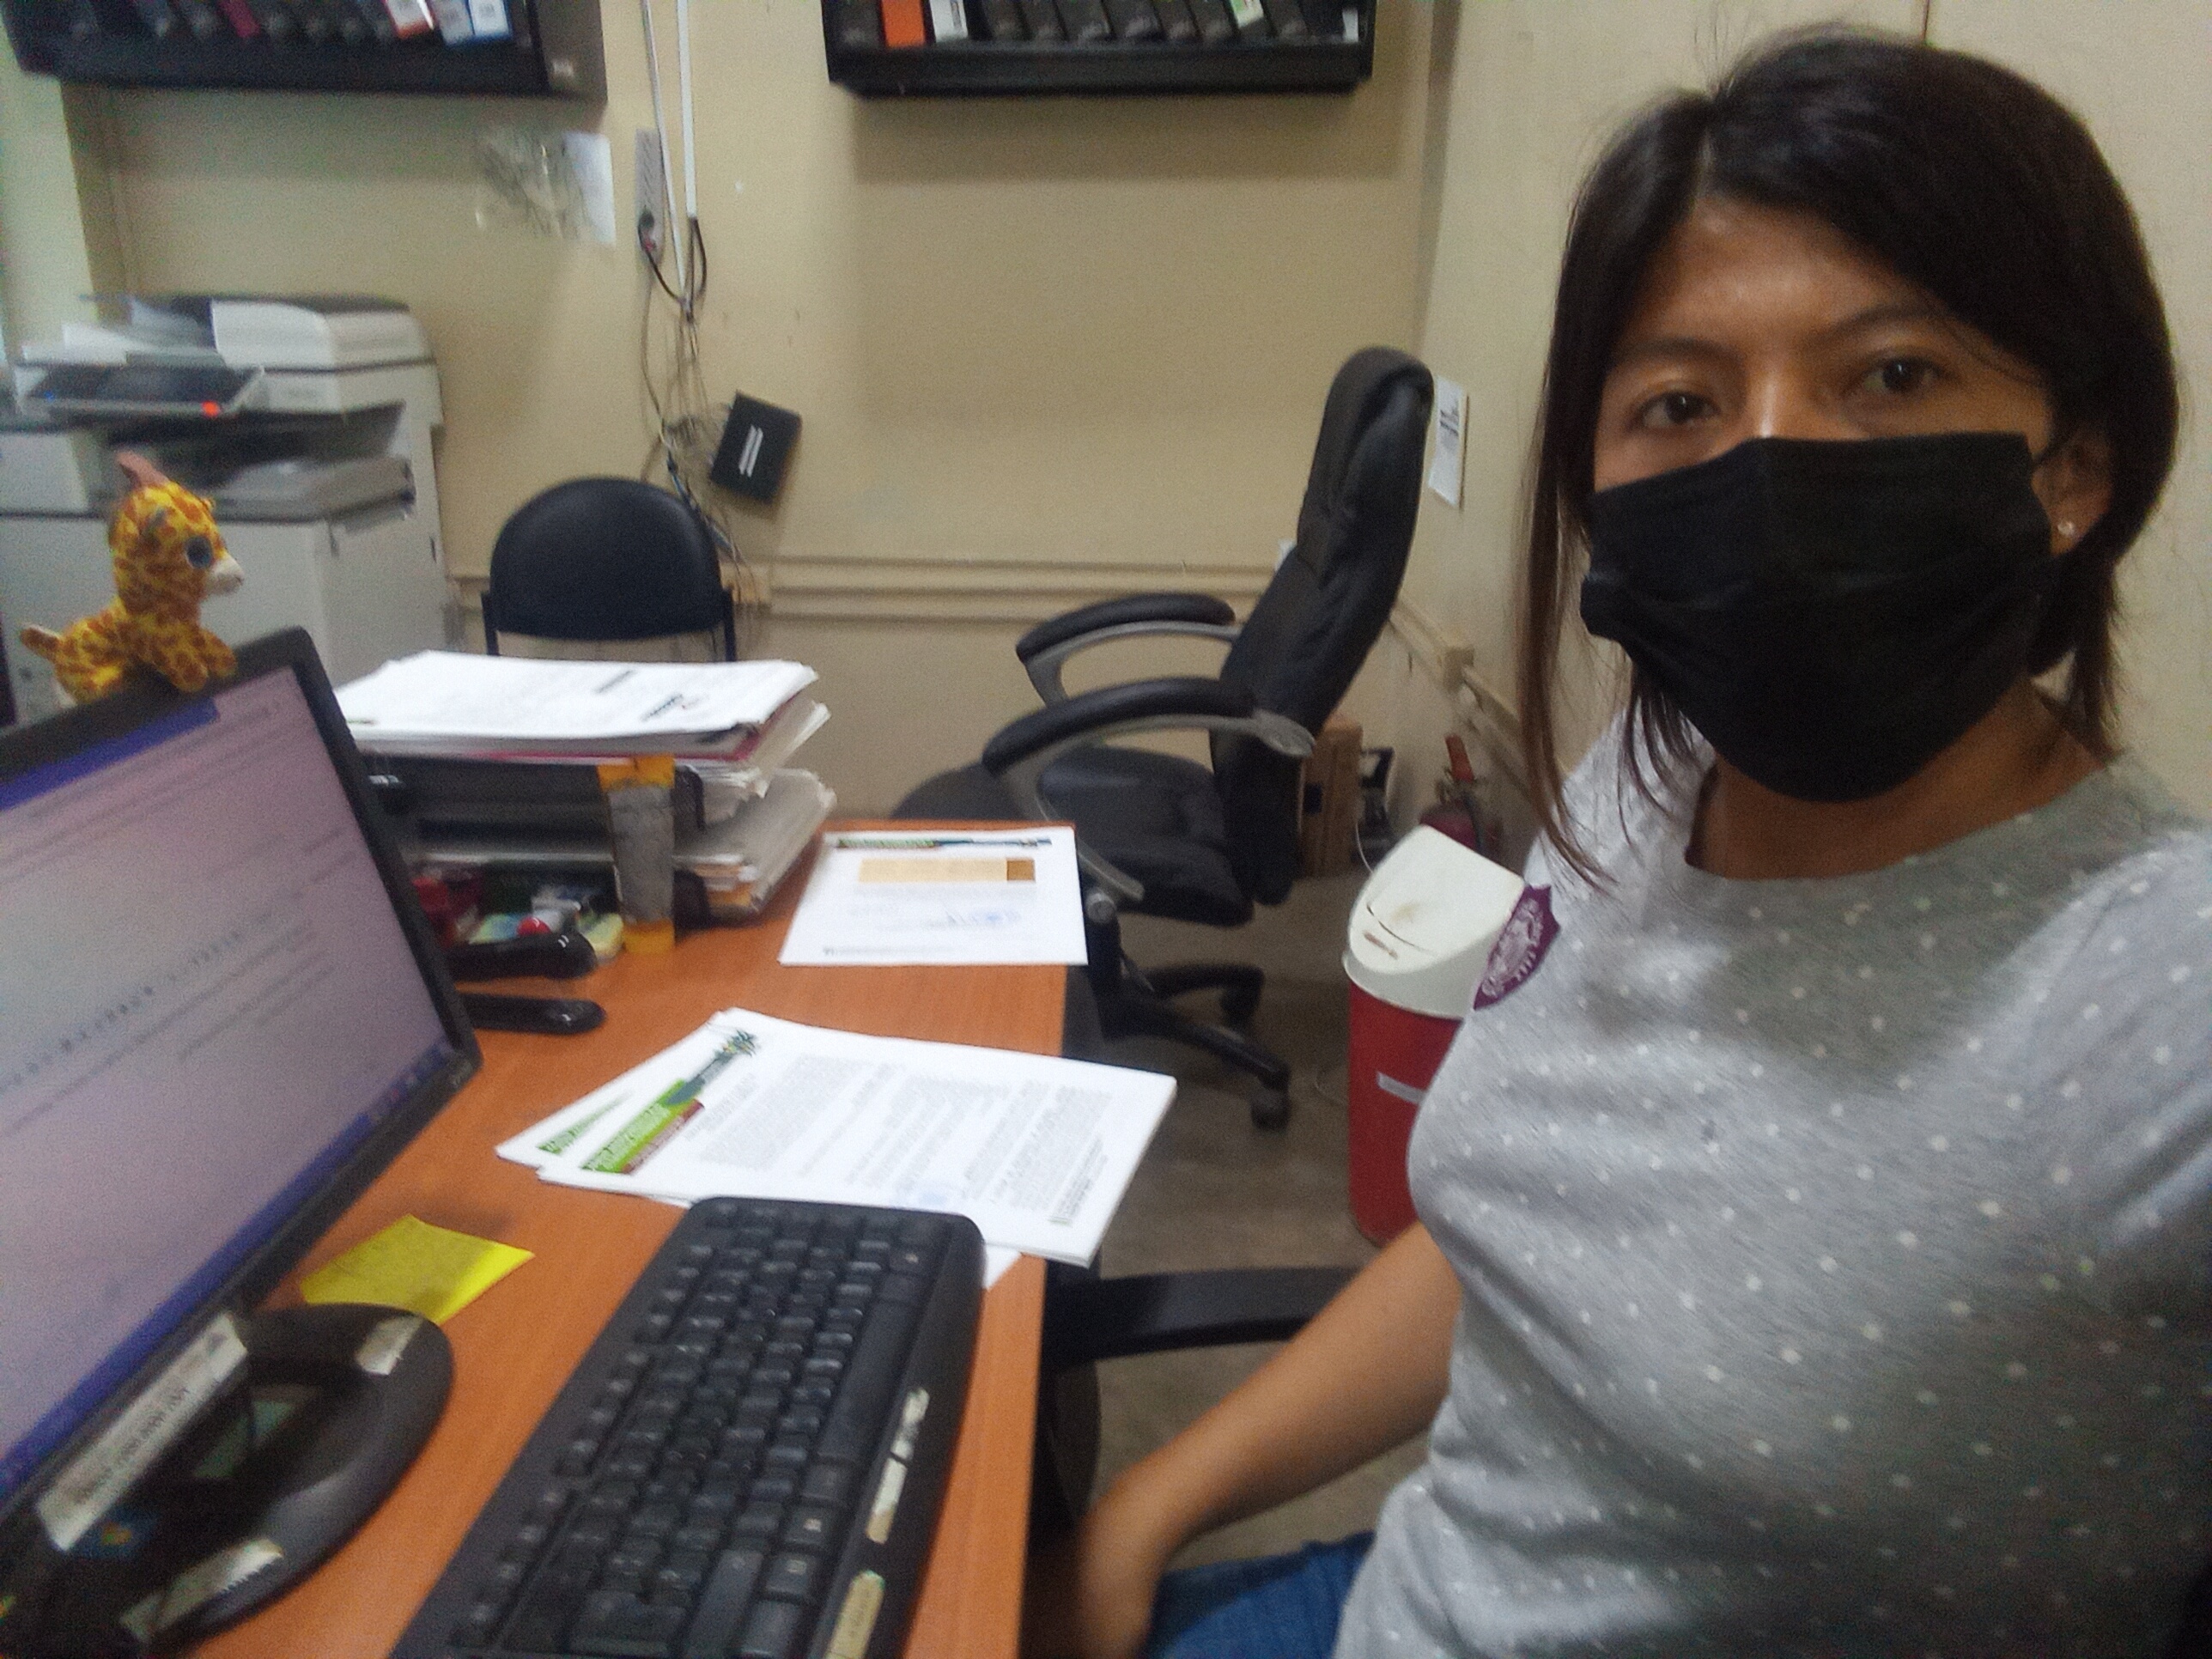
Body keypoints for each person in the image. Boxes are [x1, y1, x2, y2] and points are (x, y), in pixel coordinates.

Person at [1032, 25, 2211, 1659]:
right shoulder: (1639, 792)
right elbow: (1510, 1242)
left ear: (2074, 467)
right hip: (1405, 1600)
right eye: (1681, 400)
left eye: (1892, 376)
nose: (1773, 461)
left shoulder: (2164, 1010)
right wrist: (1143, 1514)